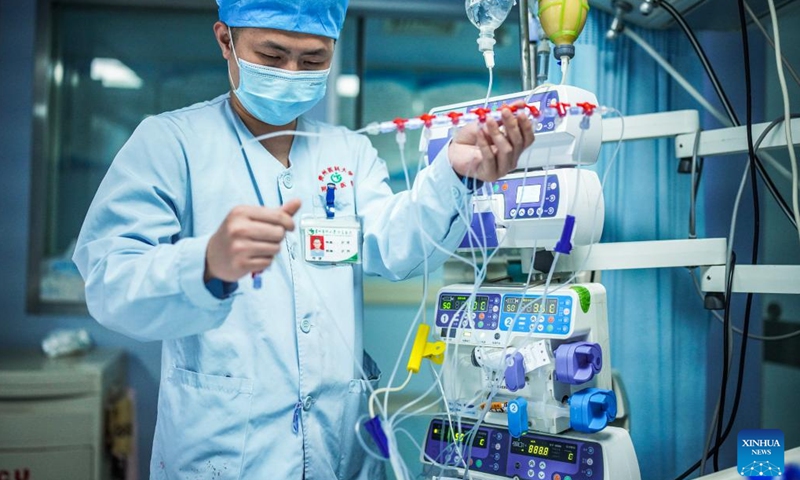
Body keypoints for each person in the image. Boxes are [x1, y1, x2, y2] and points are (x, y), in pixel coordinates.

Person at [72, 0, 534, 478]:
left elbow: (394, 242)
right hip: (222, 453)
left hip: (338, 446)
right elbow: (110, 277)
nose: (292, 72)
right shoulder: (171, 143)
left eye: (313, 60)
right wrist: (205, 264)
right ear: (225, 40)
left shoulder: (347, 152)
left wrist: (455, 176)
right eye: (273, 56)